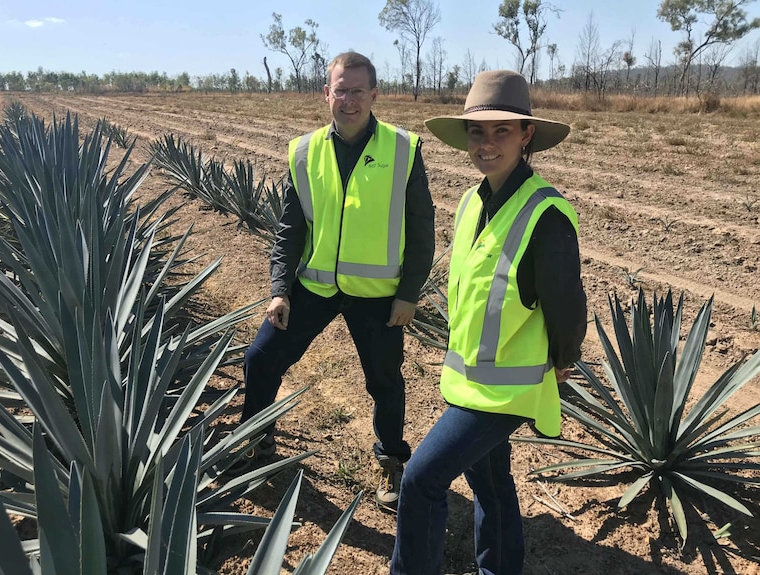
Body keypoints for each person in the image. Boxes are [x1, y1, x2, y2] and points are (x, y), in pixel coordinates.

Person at [389, 70, 587, 575]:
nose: (487, 143)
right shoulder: (472, 201)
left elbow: (567, 306)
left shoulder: (546, 213)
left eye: (502, 131)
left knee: (421, 480)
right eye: (478, 131)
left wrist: (564, 361)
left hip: (508, 389)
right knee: (491, 484)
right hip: (469, 380)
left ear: (527, 135)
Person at [234, 51, 435, 512]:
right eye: (340, 90)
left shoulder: (403, 149)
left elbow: (422, 227)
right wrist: (279, 289)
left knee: (385, 382)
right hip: (315, 287)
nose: (348, 100)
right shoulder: (304, 152)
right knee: (261, 358)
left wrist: (409, 293)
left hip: (378, 295)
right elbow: (290, 229)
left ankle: (389, 461)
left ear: (374, 94)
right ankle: (258, 440)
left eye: (357, 91)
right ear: (327, 93)